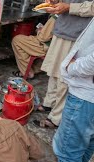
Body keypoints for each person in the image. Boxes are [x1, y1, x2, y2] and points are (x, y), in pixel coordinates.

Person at [34, 18, 94, 162]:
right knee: (85, 145)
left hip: (85, 96)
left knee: (69, 150)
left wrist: (71, 67)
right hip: (88, 94)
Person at [34, 0, 94, 128]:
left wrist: (69, 7)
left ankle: (55, 118)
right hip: (61, 29)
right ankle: (48, 103)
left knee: (64, 78)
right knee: (53, 71)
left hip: (75, 35)